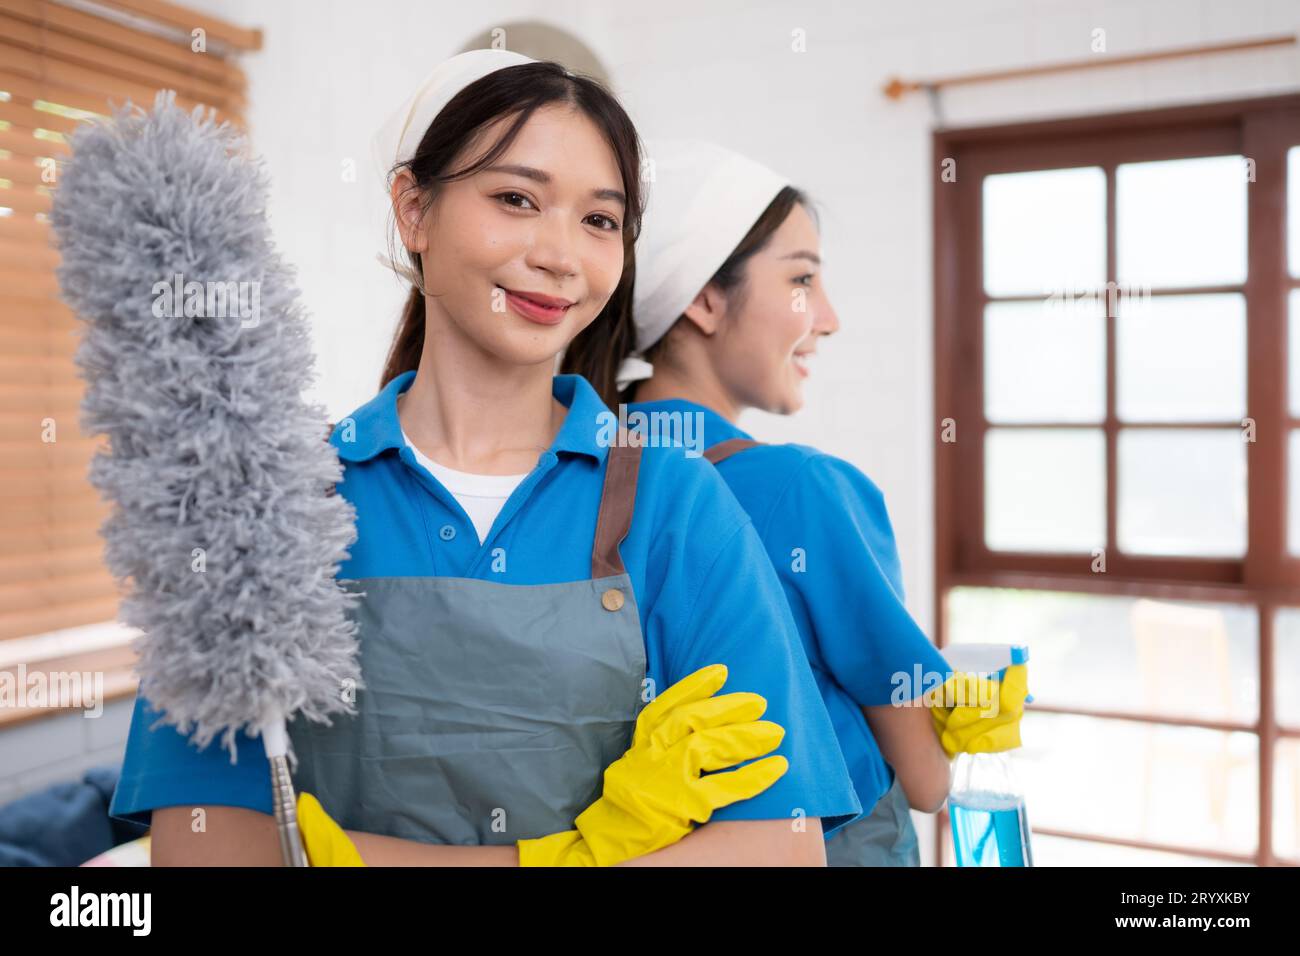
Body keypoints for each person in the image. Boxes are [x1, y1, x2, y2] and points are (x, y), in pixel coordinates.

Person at [108, 54, 862, 866]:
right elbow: (200, 843)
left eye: (600, 221)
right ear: (414, 210)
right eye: (516, 199)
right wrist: (586, 854)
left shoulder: (674, 501)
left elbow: (781, 846)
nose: (561, 255)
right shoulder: (267, 505)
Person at [565, 139, 1025, 865]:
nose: (830, 318)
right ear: (707, 300)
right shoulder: (803, 489)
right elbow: (930, 781)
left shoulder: (572, 476)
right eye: (803, 280)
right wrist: (963, 718)